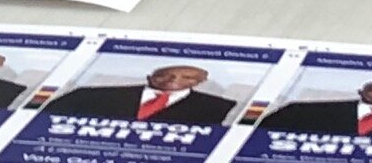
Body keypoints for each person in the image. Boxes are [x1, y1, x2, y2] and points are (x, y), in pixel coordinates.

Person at [46, 64, 235, 124]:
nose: (172, 79)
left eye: (187, 77)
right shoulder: (89, 95)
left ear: (200, 83)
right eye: (164, 75)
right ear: (149, 77)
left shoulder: (220, 106)